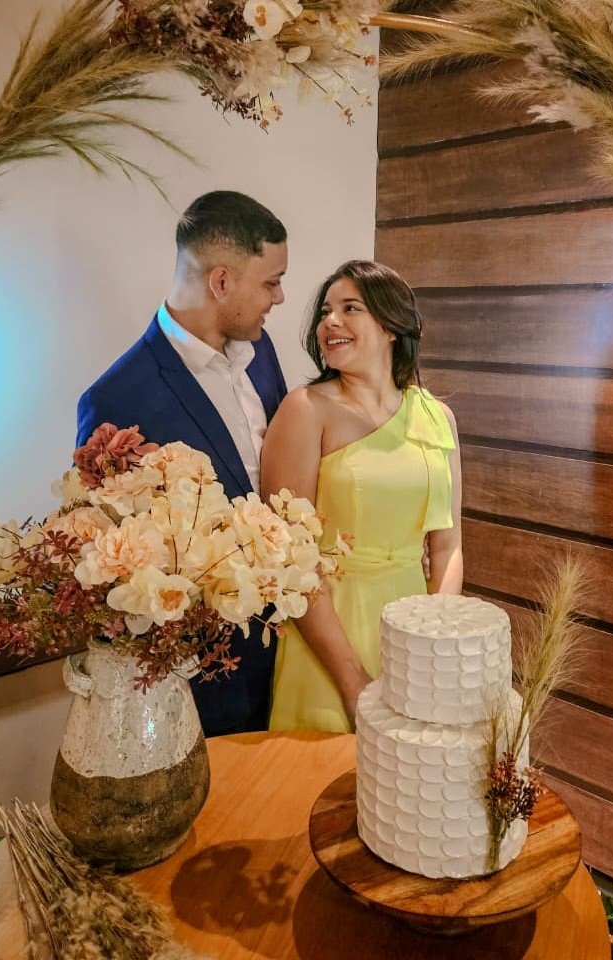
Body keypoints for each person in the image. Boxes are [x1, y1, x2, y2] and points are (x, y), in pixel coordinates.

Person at [76, 190, 288, 736]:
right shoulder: (116, 399)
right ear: (221, 282)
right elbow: (115, 565)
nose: (280, 297)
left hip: (288, 655)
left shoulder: (261, 352)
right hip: (202, 682)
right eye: (271, 282)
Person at [263, 260, 463, 733]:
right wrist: (352, 682)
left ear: (392, 326)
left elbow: (447, 546)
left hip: (411, 634)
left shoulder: (438, 417)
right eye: (325, 312)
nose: (330, 322)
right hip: (330, 632)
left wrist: (433, 644)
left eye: (350, 308)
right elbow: (290, 556)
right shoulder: (305, 409)